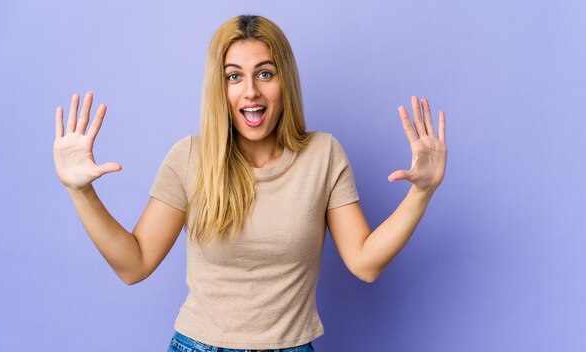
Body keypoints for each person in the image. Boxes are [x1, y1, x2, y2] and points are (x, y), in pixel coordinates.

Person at [53, 15, 447, 352]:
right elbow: (133, 265)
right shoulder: (190, 157)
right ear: (219, 89)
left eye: (264, 73)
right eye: (233, 77)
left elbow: (364, 263)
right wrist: (80, 190)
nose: (251, 91)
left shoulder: (323, 155)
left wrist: (421, 192)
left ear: (283, 81)